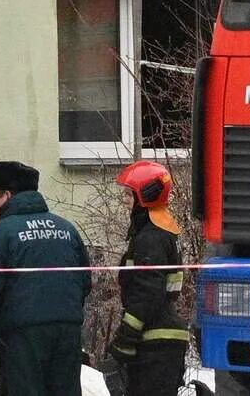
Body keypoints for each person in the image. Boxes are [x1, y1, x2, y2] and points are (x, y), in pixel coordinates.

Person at [0, 163, 89, 396]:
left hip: (22, 335)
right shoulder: (66, 228)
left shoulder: (1, 233)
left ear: (7, 194)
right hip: (68, 330)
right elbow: (85, 281)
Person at [107, 161, 189, 396]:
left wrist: (125, 340)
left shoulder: (150, 239)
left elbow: (146, 295)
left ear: (144, 196)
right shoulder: (162, 233)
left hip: (155, 342)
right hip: (163, 338)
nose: (124, 201)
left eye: (127, 194)